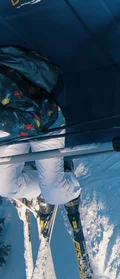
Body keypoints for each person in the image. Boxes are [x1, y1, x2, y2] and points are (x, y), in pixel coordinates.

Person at [0, 46, 81, 214]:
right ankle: (40, 187)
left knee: (55, 194)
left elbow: (36, 117)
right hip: (13, 133)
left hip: (45, 123)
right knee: (5, 188)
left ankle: (65, 186)